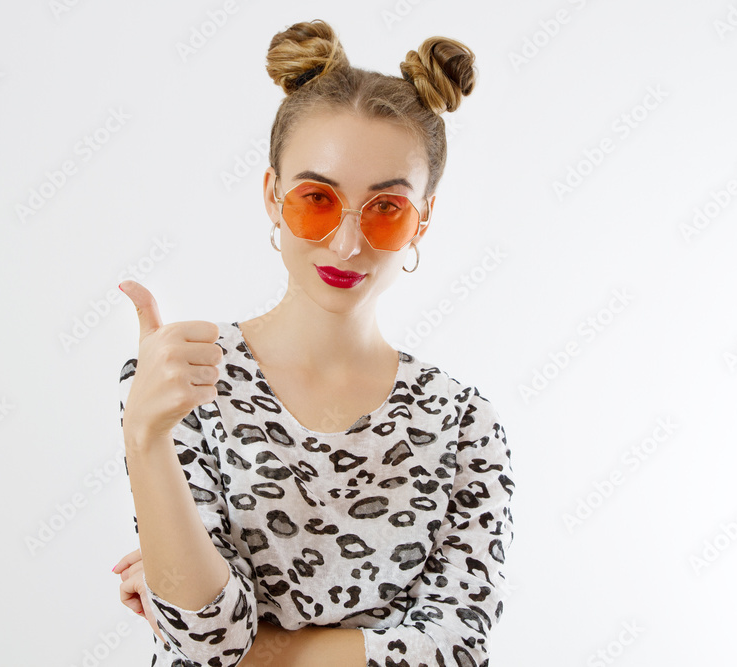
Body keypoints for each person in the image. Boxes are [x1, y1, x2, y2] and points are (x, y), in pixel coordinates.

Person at [111, 18, 515, 667]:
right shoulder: (181, 378)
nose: (347, 243)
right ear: (273, 196)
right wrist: (145, 436)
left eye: (387, 207)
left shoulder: (465, 422)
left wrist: (258, 651)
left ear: (425, 218)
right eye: (317, 200)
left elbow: (454, 648)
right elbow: (205, 635)